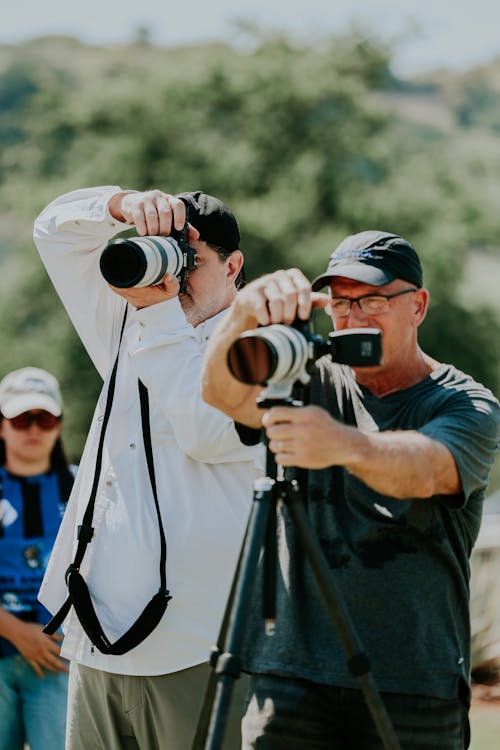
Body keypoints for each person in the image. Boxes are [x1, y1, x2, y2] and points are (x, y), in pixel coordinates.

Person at [201, 230, 500, 750]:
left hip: (412, 680)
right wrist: (243, 314)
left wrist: (344, 445)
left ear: (418, 307)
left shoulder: (466, 403)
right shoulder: (305, 374)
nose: (355, 318)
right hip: (292, 672)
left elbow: (431, 469)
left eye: (374, 301)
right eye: (341, 304)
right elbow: (219, 394)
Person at [33, 186, 262, 750]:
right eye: (163, 253)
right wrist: (121, 206)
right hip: (96, 636)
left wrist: (159, 314)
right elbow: (53, 232)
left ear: (234, 267)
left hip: (197, 648)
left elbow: (206, 433)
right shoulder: (133, 321)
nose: (173, 275)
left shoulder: (260, 347)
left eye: (191, 261)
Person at [0, 366, 75, 750]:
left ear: (59, 424)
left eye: (43, 419)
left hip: (61, 660)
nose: (32, 429)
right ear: (2, 426)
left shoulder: (84, 488)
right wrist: (15, 631)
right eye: (20, 418)